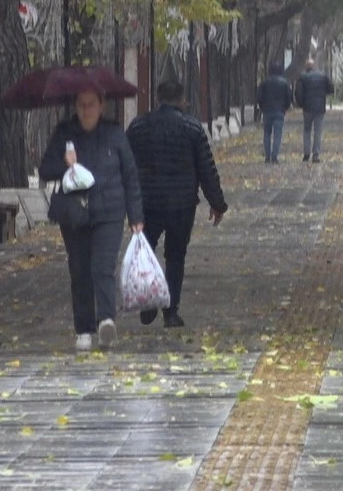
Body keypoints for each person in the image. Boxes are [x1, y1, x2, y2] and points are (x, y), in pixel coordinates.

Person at [38, 89, 144, 351]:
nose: (86, 110)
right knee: (80, 270)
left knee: (103, 266)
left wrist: (136, 215)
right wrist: (65, 164)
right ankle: (83, 329)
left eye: (91, 104)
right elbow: (45, 170)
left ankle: (106, 319)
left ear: (102, 106)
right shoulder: (64, 134)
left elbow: (130, 175)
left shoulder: (115, 134)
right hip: (74, 213)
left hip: (109, 211)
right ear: (75, 106)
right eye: (82, 104)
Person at [126, 81, 228, 328]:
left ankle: (148, 300)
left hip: (147, 202)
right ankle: (171, 311)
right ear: (182, 100)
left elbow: (126, 165)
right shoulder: (192, 128)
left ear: (158, 99)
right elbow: (206, 167)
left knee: (145, 252)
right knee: (175, 256)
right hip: (181, 204)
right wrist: (217, 204)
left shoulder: (138, 127)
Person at [294, 58, 334, 163]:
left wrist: (301, 104)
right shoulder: (322, 76)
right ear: (314, 66)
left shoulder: (302, 77)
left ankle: (306, 153)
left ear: (306, 67)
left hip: (307, 108)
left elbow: (298, 92)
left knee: (307, 130)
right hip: (320, 107)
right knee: (318, 131)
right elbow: (331, 89)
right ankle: (316, 155)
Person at [256, 62, 294, 163]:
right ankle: (274, 156)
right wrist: (284, 107)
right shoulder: (284, 83)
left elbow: (259, 97)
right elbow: (288, 98)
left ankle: (267, 156)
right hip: (279, 111)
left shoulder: (264, 83)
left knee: (267, 134)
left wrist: (263, 107)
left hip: (267, 112)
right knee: (277, 134)